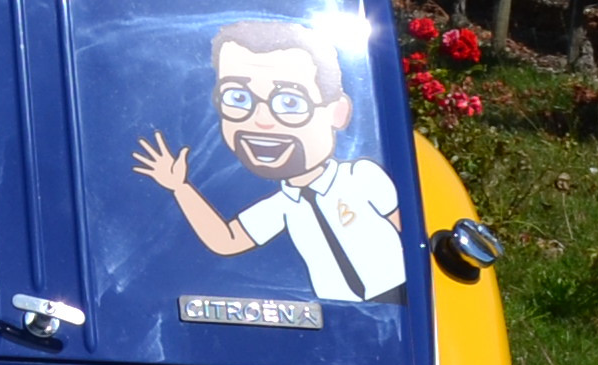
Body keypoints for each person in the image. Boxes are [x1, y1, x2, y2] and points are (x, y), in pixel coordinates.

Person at [134, 18, 406, 304]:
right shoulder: (282, 206)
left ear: (337, 112)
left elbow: (405, 231)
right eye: (238, 98)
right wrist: (180, 187)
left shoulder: (362, 176)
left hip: (398, 309)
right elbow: (226, 240)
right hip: (343, 318)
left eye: (290, 102)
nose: (261, 120)